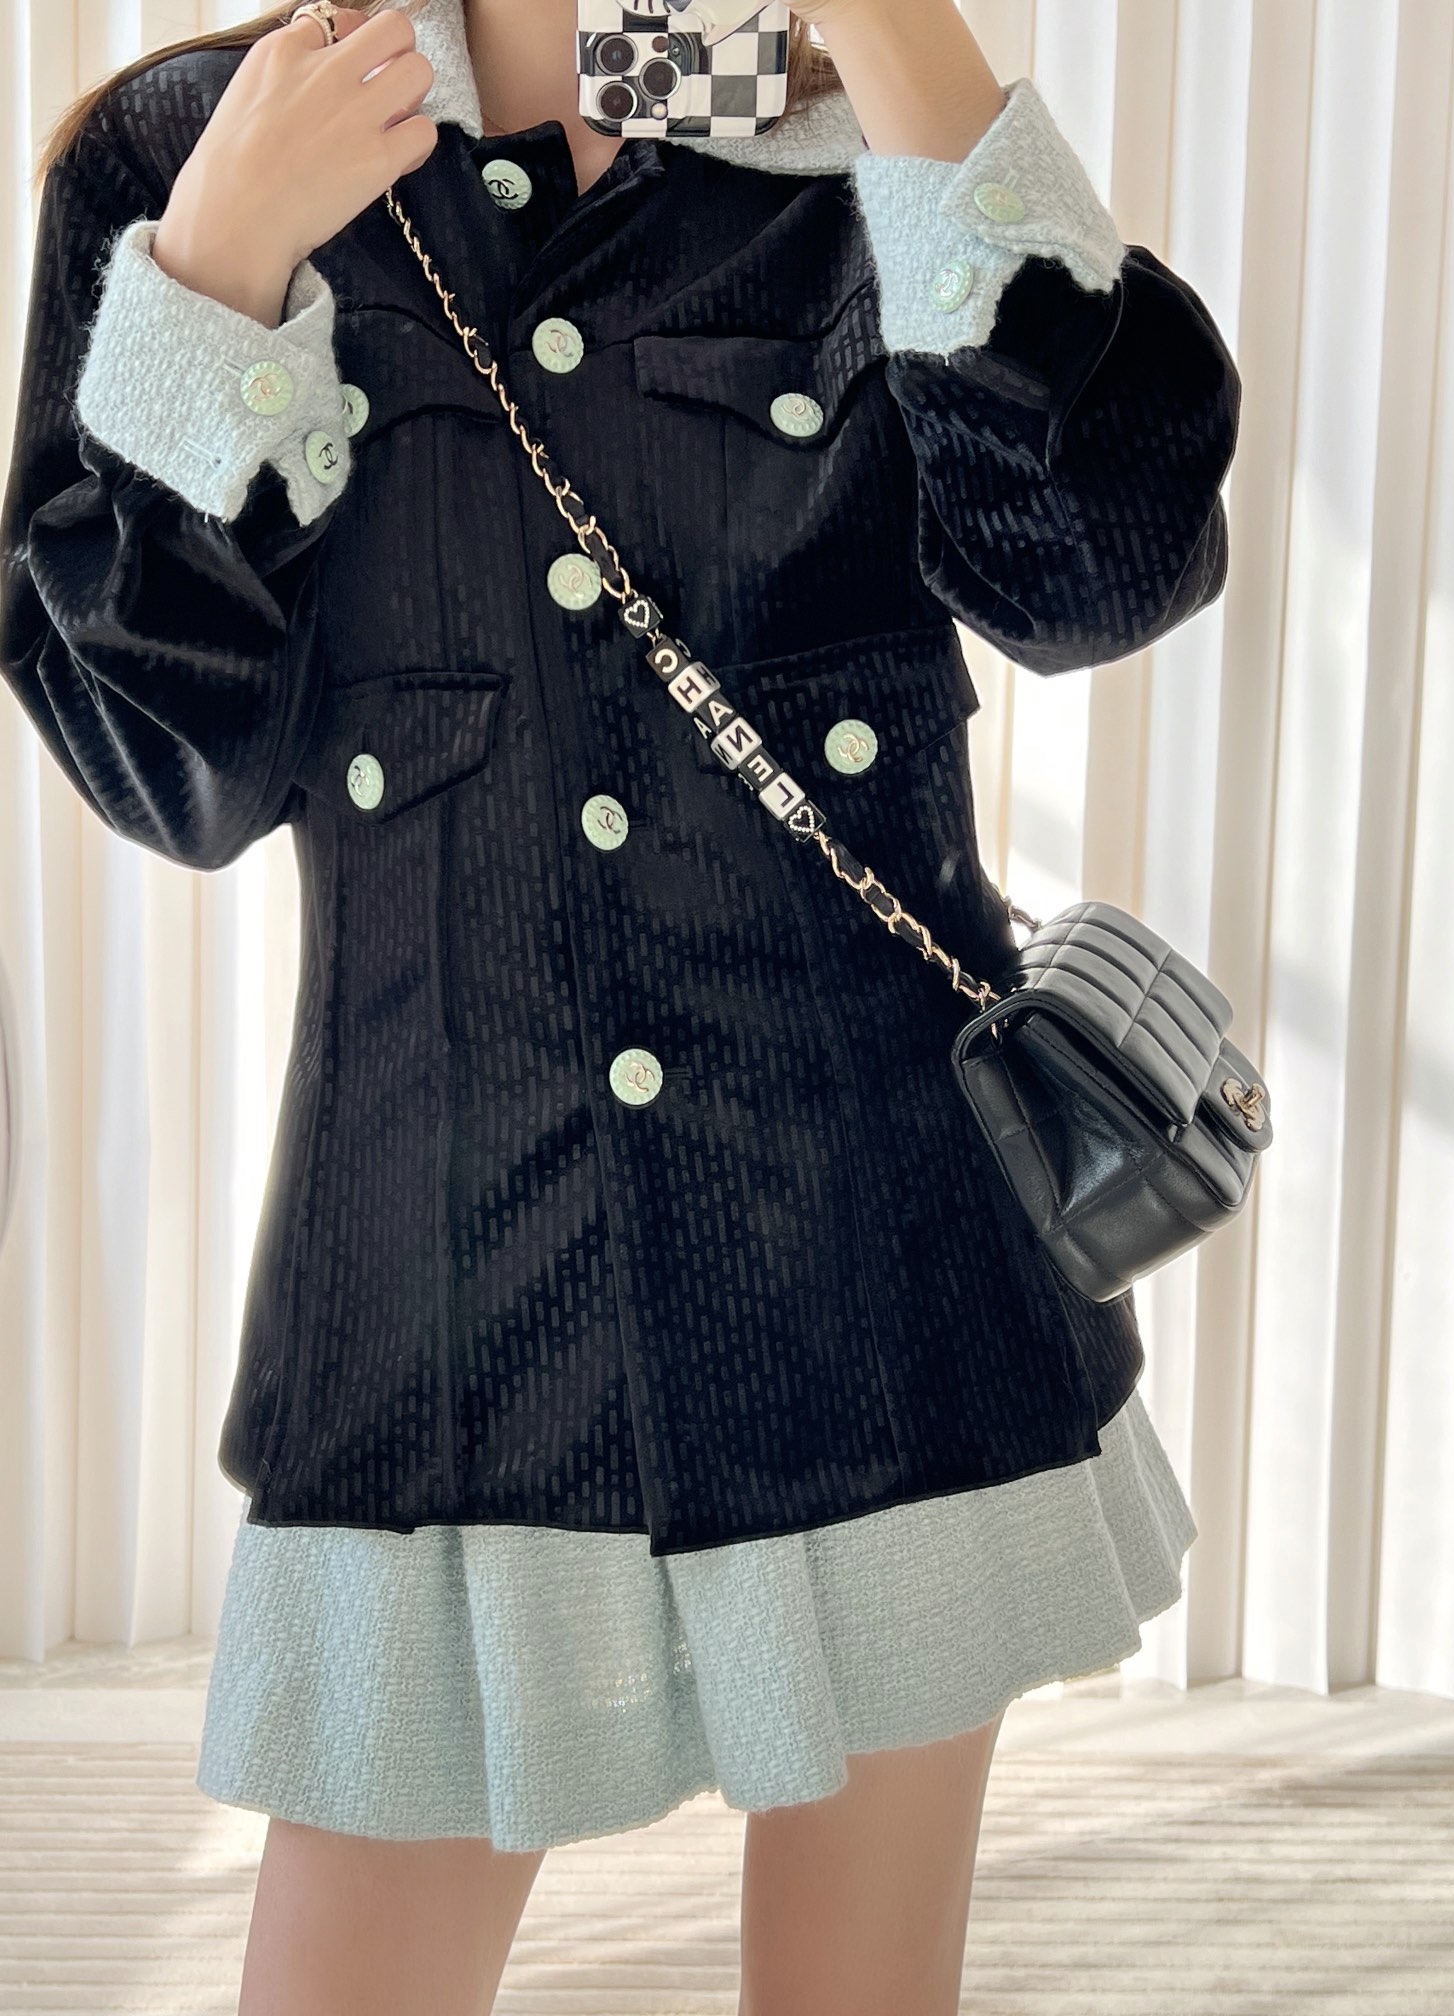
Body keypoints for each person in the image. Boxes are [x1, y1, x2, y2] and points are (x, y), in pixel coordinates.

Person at [0, 0, 1239, 2009]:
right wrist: (214, 277)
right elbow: (167, 773)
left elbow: (1097, 574)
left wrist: (901, 46)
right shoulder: (189, 153)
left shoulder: (859, 120)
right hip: (447, 1311)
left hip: (879, 1271)